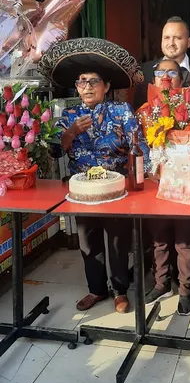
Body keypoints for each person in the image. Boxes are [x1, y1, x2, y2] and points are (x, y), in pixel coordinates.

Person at [38, 38, 150, 314]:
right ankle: (96, 289)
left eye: (93, 81)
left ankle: (120, 291)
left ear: (107, 86)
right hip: (83, 191)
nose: (86, 87)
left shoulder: (121, 112)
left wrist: (141, 178)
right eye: (81, 82)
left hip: (117, 188)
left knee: (116, 241)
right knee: (88, 241)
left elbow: (141, 148)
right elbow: (54, 154)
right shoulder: (68, 115)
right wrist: (70, 133)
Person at [138, 58, 190, 316]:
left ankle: (186, 289)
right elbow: (137, 148)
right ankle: (161, 284)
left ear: (182, 79)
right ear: (153, 78)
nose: (166, 76)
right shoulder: (144, 111)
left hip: (186, 186)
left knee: (185, 242)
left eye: (172, 72)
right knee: (158, 239)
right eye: (160, 72)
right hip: (155, 186)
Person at [134, 16, 190, 109]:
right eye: (166, 37)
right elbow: (137, 110)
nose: (171, 43)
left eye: (177, 38)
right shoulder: (145, 70)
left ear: (189, 42)